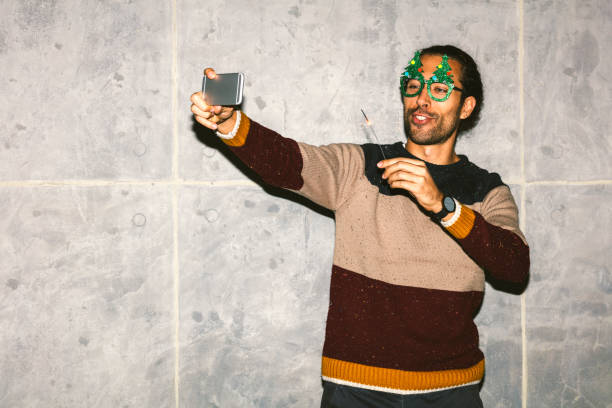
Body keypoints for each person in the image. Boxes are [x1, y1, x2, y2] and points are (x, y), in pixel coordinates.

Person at [190, 44, 529, 408]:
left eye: (441, 88)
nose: (422, 99)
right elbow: (287, 162)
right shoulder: (360, 165)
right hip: (354, 389)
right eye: (413, 86)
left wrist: (443, 207)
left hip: (451, 391)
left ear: (466, 107)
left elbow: (514, 267)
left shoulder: (486, 190)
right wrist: (230, 124)